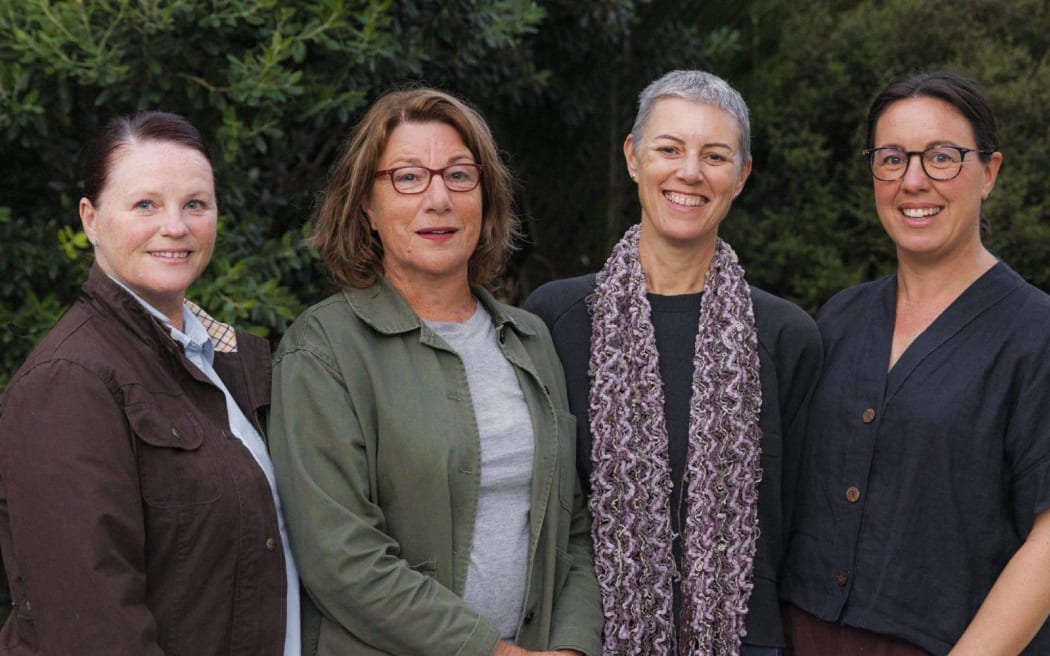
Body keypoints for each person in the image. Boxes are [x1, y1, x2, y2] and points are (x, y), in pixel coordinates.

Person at [267, 87, 603, 656]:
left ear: (486, 198)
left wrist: (570, 647)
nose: (438, 198)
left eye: (458, 175)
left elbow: (572, 531)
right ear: (367, 207)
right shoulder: (322, 351)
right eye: (407, 177)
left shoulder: (530, 340)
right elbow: (340, 557)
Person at [525, 70, 823, 655]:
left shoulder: (787, 336)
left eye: (715, 156)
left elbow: (798, 526)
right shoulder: (556, 319)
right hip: (585, 641)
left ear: (741, 177)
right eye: (669, 149)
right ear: (633, 157)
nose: (690, 172)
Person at [0, 111, 299, 654]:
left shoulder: (223, 361)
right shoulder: (68, 382)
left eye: (195, 204)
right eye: (145, 205)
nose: (176, 226)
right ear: (90, 218)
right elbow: (93, 629)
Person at [781, 72, 1050, 655]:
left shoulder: (1036, 334)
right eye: (892, 158)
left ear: (990, 173)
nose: (913, 180)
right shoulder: (839, 319)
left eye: (942, 157)